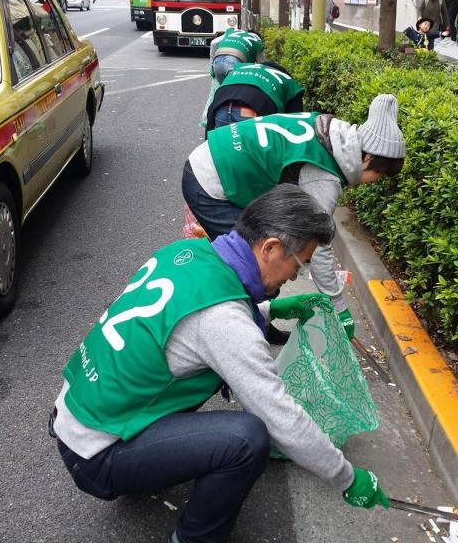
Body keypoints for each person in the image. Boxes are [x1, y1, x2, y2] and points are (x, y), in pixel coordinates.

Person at [51, 185, 389, 543]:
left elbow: (196, 324)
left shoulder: (189, 251)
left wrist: (270, 309)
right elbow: (280, 417)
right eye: (299, 263)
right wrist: (346, 476)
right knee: (247, 439)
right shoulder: (224, 323)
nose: (295, 276)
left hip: (76, 414)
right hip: (96, 452)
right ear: (271, 247)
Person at [182, 95, 406, 342]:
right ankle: (229, 337)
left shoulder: (331, 132)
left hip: (215, 159)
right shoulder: (324, 176)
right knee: (257, 266)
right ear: (368, 158)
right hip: (211, 182)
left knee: (260, 263)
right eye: (380, 174)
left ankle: (255, 323)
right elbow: (319, 248)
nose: (376, 182)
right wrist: (340, 308)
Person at [205, 61, 305, 131]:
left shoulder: (238, 69)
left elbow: (212, 108)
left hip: (220, 110)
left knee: (225, 155)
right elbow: (295, 123)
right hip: (252, 113)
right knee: (254, 157)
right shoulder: (288, 82)